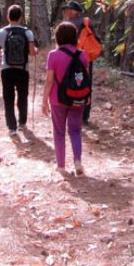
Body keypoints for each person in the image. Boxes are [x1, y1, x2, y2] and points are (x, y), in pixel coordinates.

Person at [41, 21, 90, 176]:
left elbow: (49, 80)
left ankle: (61, 165)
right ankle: (77, 161)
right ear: (75, 37)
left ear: (58, 37)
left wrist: (44, 100)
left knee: (59, 131)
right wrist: (88, 96)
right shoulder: (82, 54)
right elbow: (86, 78)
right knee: (75, 130)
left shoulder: (53, 55)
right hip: (78, 98)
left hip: (58, 99)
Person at [0, 4, 37, 136]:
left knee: (8, 97)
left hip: (7, 69)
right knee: (23, 96)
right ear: (21, 18)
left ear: (8, 17)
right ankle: (22, 122)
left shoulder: (2, 32)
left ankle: (12, 127)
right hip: (23, 69)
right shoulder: (27, 32)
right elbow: (32, 52)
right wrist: (36, 50)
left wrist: (1, 54)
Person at [59, 0, 98, 125]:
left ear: (75, 11)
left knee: (68, 83)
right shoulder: (87, 22)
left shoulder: (69, 24)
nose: (66, 11)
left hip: (69, 58)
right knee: (85, 84)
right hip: (85, 58)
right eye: (66, 9)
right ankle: (84, 116)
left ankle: (69, 111)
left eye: (69, 9)